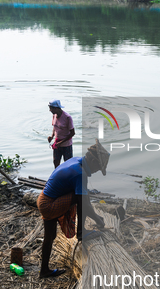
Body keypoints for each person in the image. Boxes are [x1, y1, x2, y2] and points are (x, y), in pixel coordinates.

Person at [37, 140, 110, 278]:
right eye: (98, 167)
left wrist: (95, 216)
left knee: (50, 237)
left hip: (44, 200)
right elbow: (83, 202)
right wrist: (97, 219)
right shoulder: (80, 173)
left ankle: (44, 271)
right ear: (93, 161)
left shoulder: (77, 161)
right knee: (80, 197)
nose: (96, 171)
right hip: (49, 204)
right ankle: (81, 232)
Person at [47, 99, 75, 168]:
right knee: (56, 162)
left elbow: (72, 133)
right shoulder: (54, 115)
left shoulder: (67, 117)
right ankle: (58, 177)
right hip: (57, 144)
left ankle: (68, 178)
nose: (50, 110)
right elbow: (55, 126)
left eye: (51, 109)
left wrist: (61, 142)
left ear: (56, 108)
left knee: (68, 164)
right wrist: (52, 136)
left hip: (66, 145)